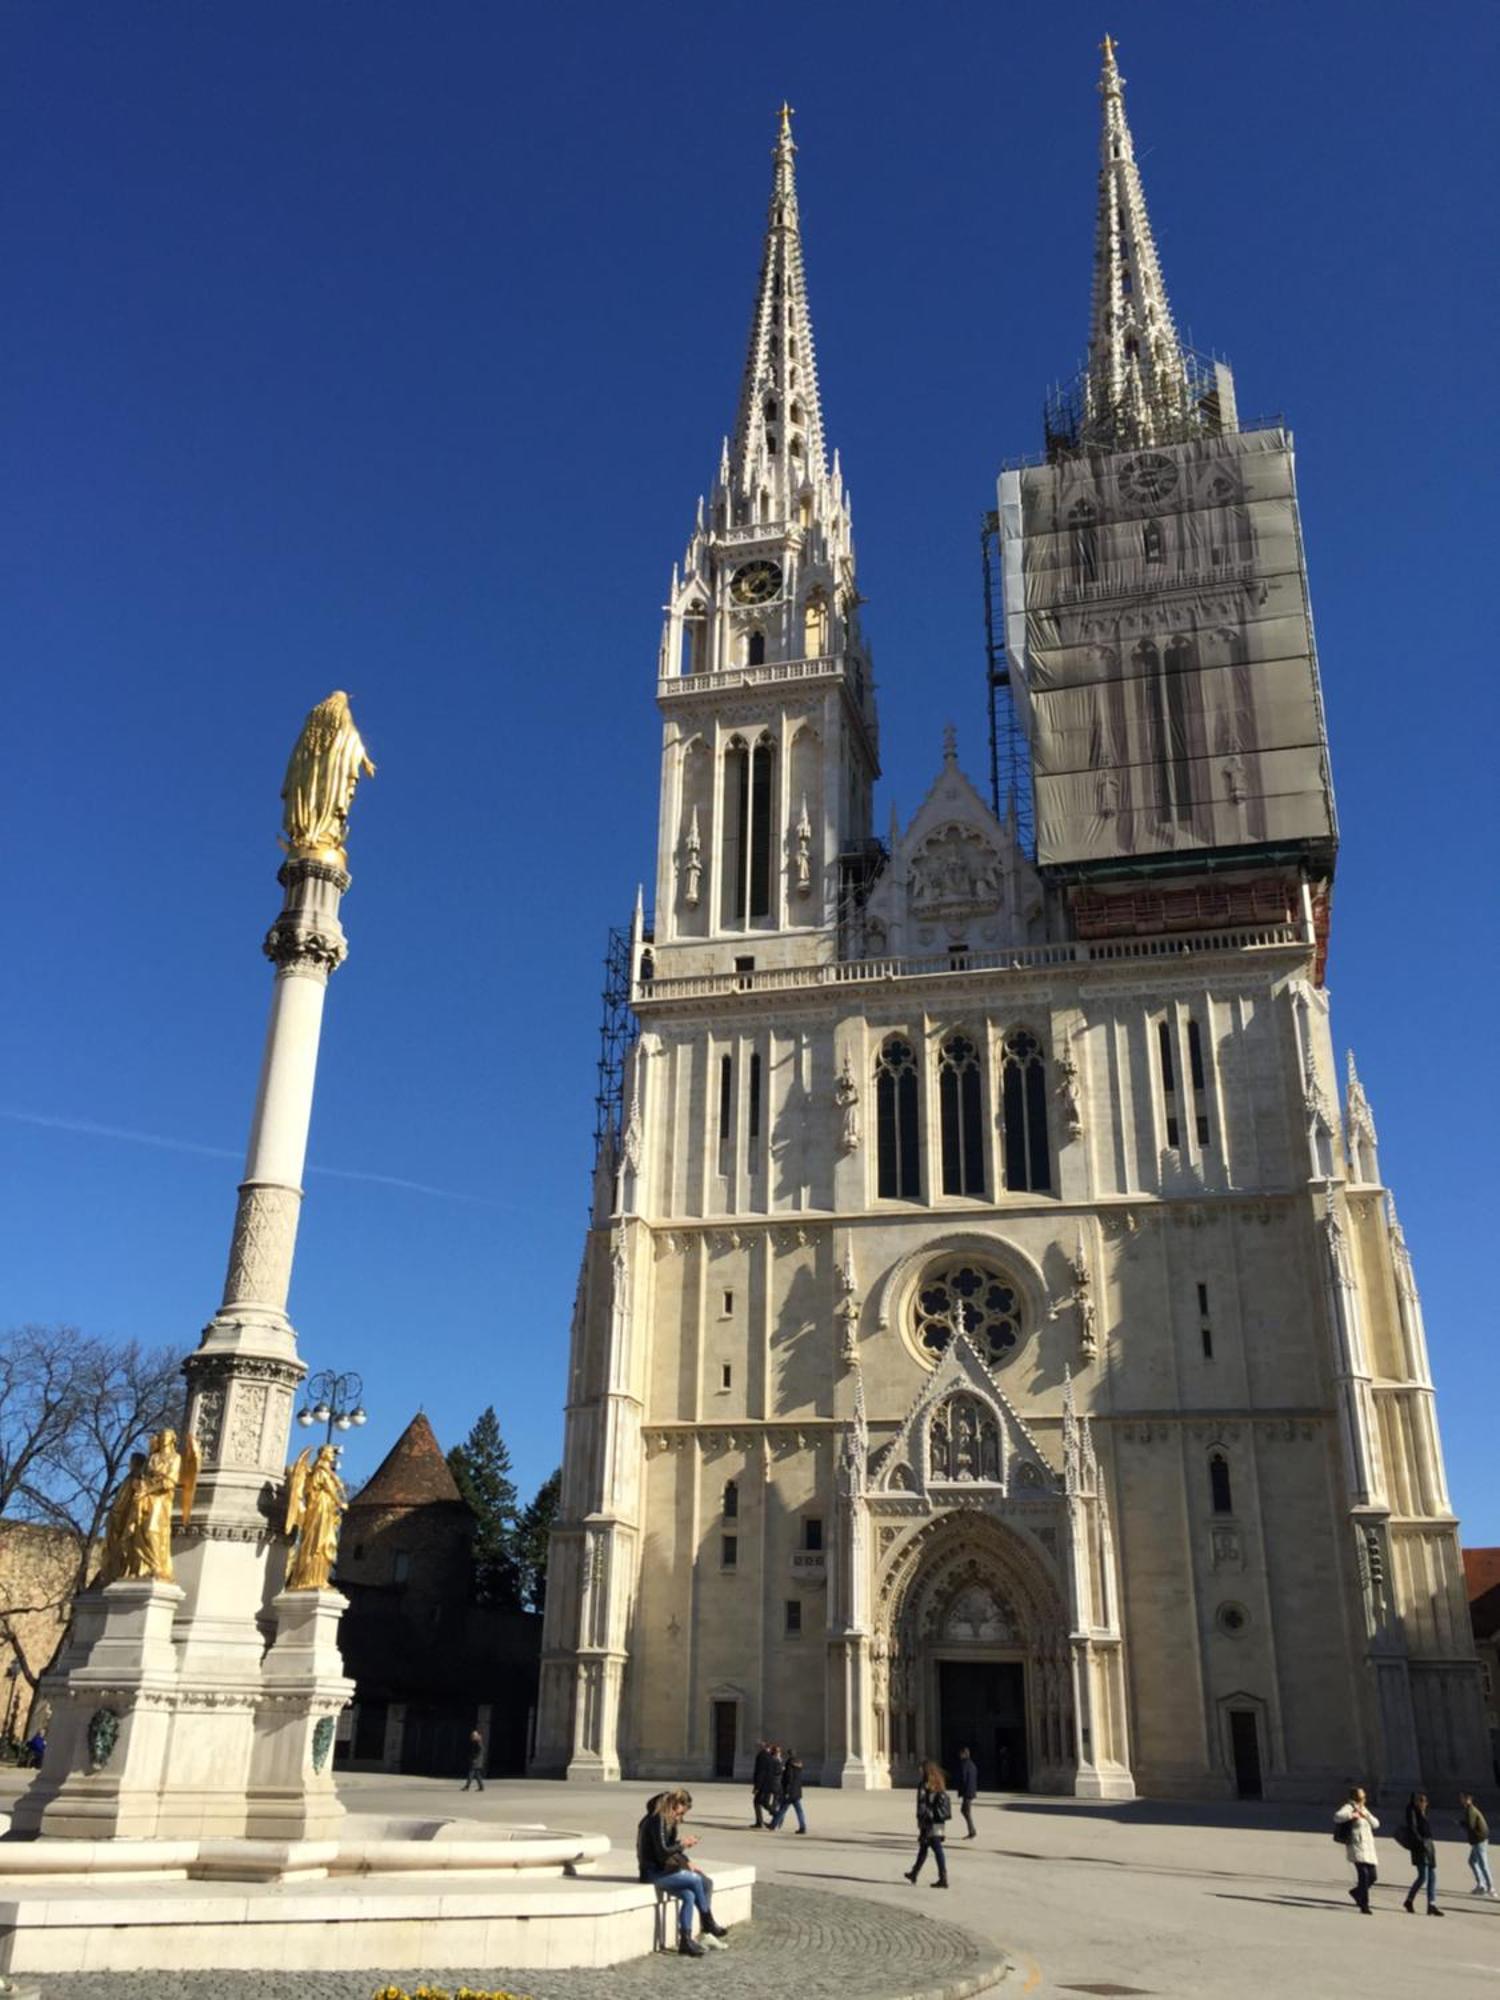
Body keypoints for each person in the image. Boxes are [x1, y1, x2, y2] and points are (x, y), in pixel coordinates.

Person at [636, 1788, 732, 1957]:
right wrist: (683, 1844)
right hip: (653, 1872)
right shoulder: (656, 1820)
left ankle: (685, 1941)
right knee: (696, 1880)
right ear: (673, 1805)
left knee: (689, 1895)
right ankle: (707, 1922)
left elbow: (671, 1849)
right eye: (680, 1812)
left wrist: (686, 1860)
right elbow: (663, 1851)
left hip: (662, 1870)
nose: (680, 1817)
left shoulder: (666, 1821)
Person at [904, 1759, 952, 1889]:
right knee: (924, 1847)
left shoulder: (924, 1785)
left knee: (936, 1848)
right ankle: (914, 1873)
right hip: (939, 1821)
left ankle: (943, 1878)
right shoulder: (939, 1782)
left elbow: (922, 1805)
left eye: (921, 1768)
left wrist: (920, 1821)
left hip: (929, 1821)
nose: (919, 1770)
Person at [1333, 1784, 1380, 1914]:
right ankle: (1364, 1904)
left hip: (1369, 1847)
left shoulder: (1364, 1809)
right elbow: (1337, 1816)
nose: (1365, 1798)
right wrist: (1352, 1815)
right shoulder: (1349, 1807)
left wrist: (1366, 1816)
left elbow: (1376, 1824)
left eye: (1364, 1796)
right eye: (1362, 1796)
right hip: (1356, 1845)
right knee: (1363, 1875)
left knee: (1373, 1877)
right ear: (1356, 1797)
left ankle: (1356, 1892)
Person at [1402, 1790, 1443, 1915]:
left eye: (1426, 1801)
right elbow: (1413, 1829)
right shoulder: (1412, 1812)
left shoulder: (1422, 1813)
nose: (1425, 1803)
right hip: (1420, 1847)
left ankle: (1432, 1904)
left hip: (1428, 1846)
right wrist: (1421, 1842)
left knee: (1432, 1876)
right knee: (1423, 1877)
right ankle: (1409, 1900)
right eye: (1422, 1801)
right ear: (1417, 1801)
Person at [1458, 1791, 1495, 1896]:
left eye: (1462, 1798)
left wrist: (1462, 1824)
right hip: (1478, 1840)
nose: (1461, 1800)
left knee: (1483, 1864)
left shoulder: (1471, 1810)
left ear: (1468, 1799)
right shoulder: (1469, 1809)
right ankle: (1481, 1885)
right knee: (1472, 1861)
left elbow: (1471, 1826)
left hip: (1480, 1840)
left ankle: (1490, 1887)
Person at [770, 1748, 806, 1834]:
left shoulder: (789, 1763)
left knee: (783, 1809)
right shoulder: (799, 1763)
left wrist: (786, 1790)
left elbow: (788, 1778)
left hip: (790, 1791)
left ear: (789, 1754)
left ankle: (773, 1824)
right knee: (798, 1810)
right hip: (797, 1790)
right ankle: (803, 1826)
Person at [956, 1746, 979, 1839]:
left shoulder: (965, 1764)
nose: (960, 1755)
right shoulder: (972, 1764)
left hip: (967, 1792)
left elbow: (963, 1778)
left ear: (964, 1754)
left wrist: (960, 1791)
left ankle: (972, 1831)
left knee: (966, 1811)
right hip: (971, 1791)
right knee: (965, 1810)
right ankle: (972, 1830)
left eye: (961, 1754)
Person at [750, 1740, 773, 1828]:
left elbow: (760, 1773)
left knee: (757, 1802)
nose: (756, 1748)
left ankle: (760, 1822)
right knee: (762, 1802)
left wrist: (757, 1787)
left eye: (758, 1746)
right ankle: (761, 1821)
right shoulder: (769, 1756)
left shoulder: (761, 1756)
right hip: (768, 1784)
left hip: (762, 1785)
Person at [462, 1727, 485, 1792]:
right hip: (476, 1761)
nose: (471, 1737)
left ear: (476, 1736)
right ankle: (481, 1787)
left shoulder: (478, 1742)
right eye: (471, 1735)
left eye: (472, 1736)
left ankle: (467, 1787)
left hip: (476, 1761)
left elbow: (480, 1751)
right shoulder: (476, 1742)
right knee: (477, 1775)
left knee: (471, 1773)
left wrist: (475, 1758)